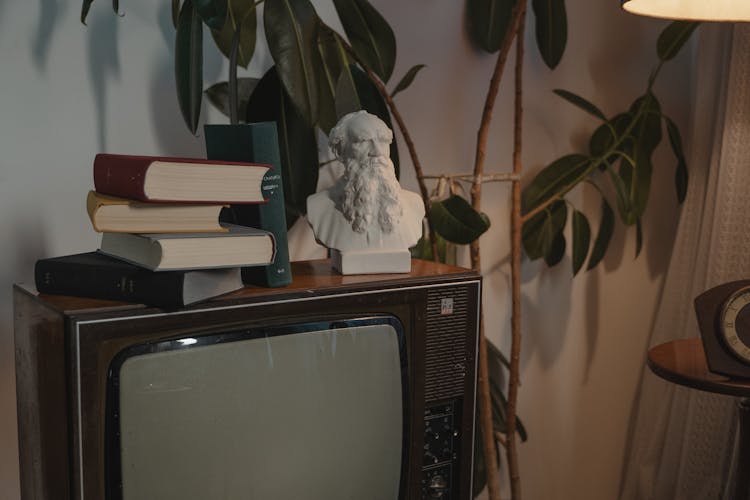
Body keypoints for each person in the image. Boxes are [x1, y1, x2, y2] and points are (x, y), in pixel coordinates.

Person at [307, 111, 424, 254]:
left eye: (383, 140)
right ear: (340, 152)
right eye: (363, 141)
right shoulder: (318, 206)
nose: (377, 151)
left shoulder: (414, 204)